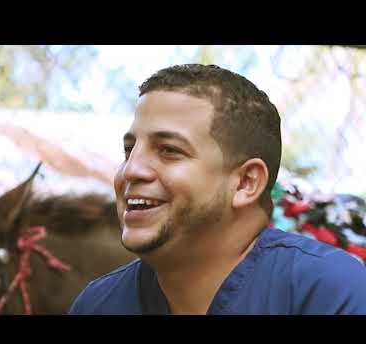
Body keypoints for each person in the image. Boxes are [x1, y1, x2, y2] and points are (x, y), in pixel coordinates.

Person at [68, 64, 366, 315]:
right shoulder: (99, 304)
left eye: (169, 150)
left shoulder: (330, 294)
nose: (130, 170)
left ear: (246, 183)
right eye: (129, 150)